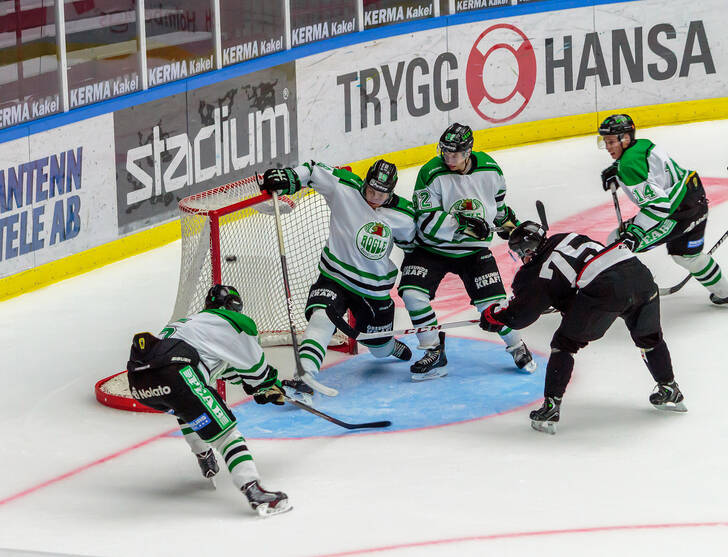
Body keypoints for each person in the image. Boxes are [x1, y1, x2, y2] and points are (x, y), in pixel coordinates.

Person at [479, 221, 687, 434]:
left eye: (518, 253)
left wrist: (493, 316)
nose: (520, 258)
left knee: (564, 343)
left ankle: (550, 407)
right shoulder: (564, 238)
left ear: (528, 251)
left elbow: (520, 315)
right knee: (649, 338)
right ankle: (670, 388)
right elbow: (580, 270)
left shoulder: (538, 271)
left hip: (607, 288)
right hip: (638, 274)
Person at [126, 284, 291, 516]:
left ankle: (203, 453)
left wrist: (254, 386)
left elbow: (218, 370)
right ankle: (253, 490)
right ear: (235, 306)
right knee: (226, 433)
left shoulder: (191, 324)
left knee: (187, 406)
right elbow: (256, 372)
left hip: (140, 383)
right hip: (176, 373)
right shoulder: (235, 322)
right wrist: (267, 385)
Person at [260, 160, 415, 403]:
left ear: (391, 192)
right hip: (335, 277)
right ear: (365, 183)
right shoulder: (345, 187)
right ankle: (304, 376)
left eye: (382, 194)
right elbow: (313, 170)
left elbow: (415, 247)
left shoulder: (404, 215)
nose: (374, 198)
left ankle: (387, 346)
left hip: (373, 290)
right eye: (371, 190)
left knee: (379, 350)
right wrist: (290, 176)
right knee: (321, 318)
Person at [397, 123, 536, 381]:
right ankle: (433, 351)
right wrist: (464, 224)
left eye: (455, 154)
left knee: (493, 306)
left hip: (473, 252)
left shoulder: (491, 170)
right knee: (412, 294)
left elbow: (499, 209)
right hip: (432, 248)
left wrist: (513, 229)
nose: (449, 159)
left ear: (468, 151)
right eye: (445, 152)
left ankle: (517, 345)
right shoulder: (430, 172)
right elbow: (426, 221)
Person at [598, 114, 728, 305]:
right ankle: (726, 293)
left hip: (677, 212)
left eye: (611, 142)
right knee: (687, 256)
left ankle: (634, 290)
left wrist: (636, 231)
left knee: (617, 243)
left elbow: (659, 206)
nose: (607, 147)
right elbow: (651, 170)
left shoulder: (629, 165)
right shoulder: (642, 144)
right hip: (694, 196)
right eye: (605, 142)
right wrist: (616, 168)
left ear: (625, 139)